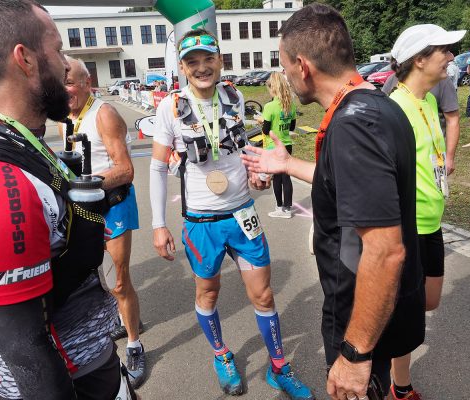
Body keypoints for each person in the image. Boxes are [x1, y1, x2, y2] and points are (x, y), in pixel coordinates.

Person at [0, 1, 135, 399]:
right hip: (71, 378)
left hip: (90, 362)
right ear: (24, 58)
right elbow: (28, 351)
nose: (66, 64)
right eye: (56, 50)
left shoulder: (4, 134)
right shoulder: (2, 187)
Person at [241, 4, 425, 399]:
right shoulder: (376, 106)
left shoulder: (354, 124)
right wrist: (289, 164)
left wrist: (355, 354)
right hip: (378, 308)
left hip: (363, 314)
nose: (287, 76)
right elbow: (349, 184)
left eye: (285, 66)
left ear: (302, 66)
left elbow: (384, 251)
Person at [150, 28, 314, 400]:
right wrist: (159, 224)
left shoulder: (234, 96)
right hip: (202, 223)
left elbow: (240, 152)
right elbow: (158, 168)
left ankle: (278, 367)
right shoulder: (170, 107)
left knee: (264, 295)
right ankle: (221, 354)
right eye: (193, 62)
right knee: (208, 291)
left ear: (220, 60)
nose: (202, 67)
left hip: (243, 214)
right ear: (183, 67)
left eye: (209, 59)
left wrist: (257, 178)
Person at [387, 24, 466, 399]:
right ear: (419, 60)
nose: (451, 57)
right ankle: (398, 386)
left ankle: (386, 340)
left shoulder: (431, 100)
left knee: (428, 301)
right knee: (407, 314)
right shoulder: (393, 108)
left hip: (433, 222)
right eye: (444, 51)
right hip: (408, 227)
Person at [61, 56, 147, 388]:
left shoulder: (104, 114)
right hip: (86, 209)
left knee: (119, 282)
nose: (64, 88)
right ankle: (124, 320)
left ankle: (136, 345)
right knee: (93, 276)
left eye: (70, 82)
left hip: (114, 205)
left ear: (86, 83)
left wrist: (86, 183)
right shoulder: (65, 117)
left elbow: (126, 169)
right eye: (61, 82)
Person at [382, 71, 460, 175]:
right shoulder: (393, 79)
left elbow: (453, 120)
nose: (450, 57)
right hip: (403, 159)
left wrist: (449, 158)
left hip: (435, 157)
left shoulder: (442, 80)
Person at [256, 71, 297, 218]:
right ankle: (287, 207)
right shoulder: (290, 104)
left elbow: (266, 130)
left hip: (273, 146)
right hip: (287, 144)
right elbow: (291, 127)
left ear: (272, 87)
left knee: (277, 178)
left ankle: (280, 207)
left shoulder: (269, 106)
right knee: (286, 177)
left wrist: (261, 121)